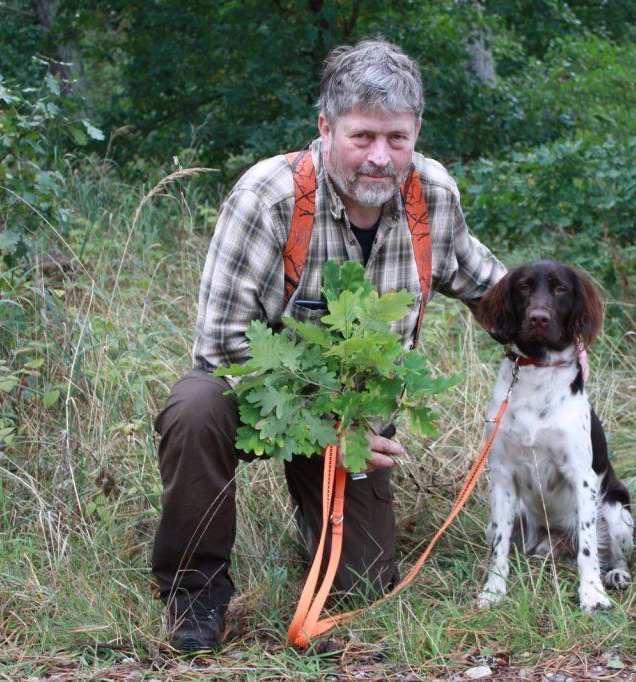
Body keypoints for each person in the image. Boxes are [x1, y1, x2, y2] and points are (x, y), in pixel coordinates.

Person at [152, 39, 507, 651]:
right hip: (260, 402)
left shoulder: (433, 196)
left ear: (416, 131)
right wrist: (323, 425)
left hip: (356, 428)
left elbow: (487, 288)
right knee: (195, 405)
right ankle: (195, 593)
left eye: (397, 138)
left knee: (364, 590)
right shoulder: (269, 197)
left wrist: (557, 332)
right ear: (325, 127)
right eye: (362, 136)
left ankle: (318, 528)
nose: (380, 157)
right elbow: (219, 346)